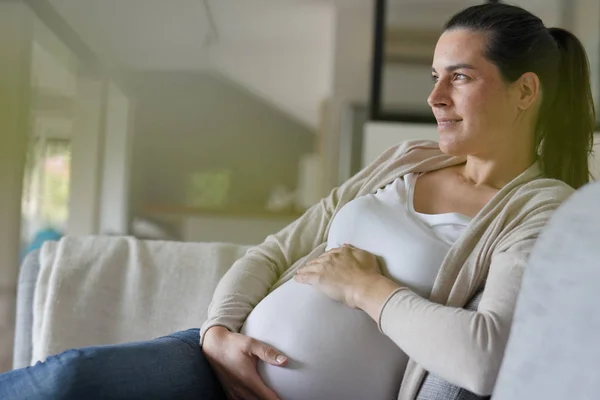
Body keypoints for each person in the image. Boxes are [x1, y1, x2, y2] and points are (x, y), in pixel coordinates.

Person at [0, 3, 595, 400]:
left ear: (525, 91)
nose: (435, 96)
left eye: (460, 77)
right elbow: (274, 251)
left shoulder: (540, 211)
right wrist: (217, 332)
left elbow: (486, 356)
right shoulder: (407, 159)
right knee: (66, 380)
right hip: (216, 364)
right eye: (435, 76)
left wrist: (368, 289)